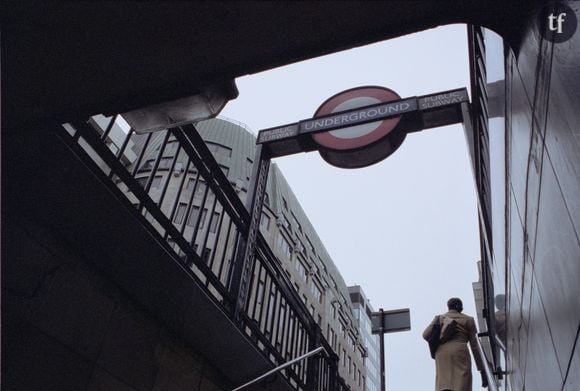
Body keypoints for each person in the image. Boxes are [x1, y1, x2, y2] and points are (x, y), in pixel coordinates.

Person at [422, 297, 487, 390]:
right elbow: (475, 346)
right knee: (461, 382)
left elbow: (425, 335)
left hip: (442, 353)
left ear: (448, 307)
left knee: (444, 383)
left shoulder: (439, 318)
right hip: (460, 352)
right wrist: (482, 369)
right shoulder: (468, 320)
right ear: (460, 307)